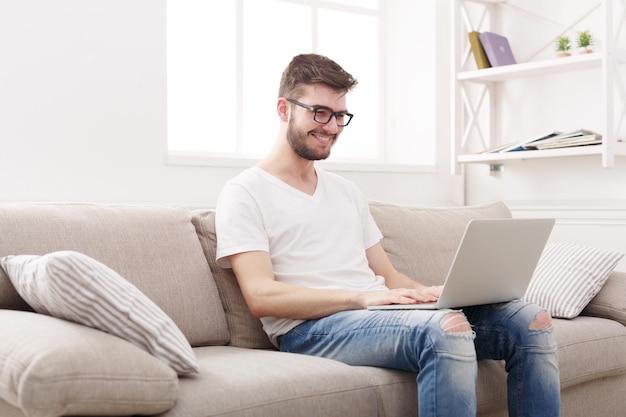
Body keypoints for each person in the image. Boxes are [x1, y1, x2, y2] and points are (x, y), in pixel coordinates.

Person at [215, 53, 560, 417]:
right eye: (319, 112)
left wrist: (430, 295)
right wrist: (360, 298)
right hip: (309, 329)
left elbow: (389, 276)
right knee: (447, 328)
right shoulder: (245, 192)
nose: (331, 127)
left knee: (530, 321)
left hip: (375, 314)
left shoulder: (346, 192)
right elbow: (261, 296)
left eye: (339, 116)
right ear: (285, 109)